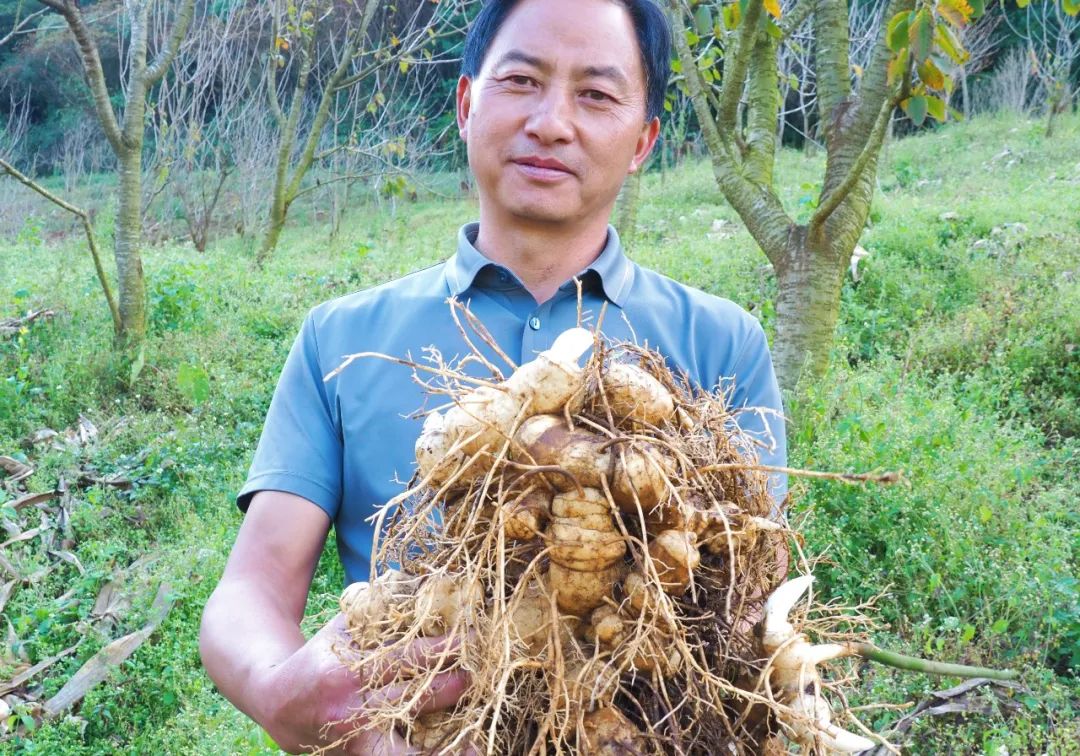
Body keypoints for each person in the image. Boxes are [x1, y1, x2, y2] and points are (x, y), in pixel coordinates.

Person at [200, 0, 787, 752]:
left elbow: (752, 595)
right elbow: (251, 589)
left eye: (595, 94)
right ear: (466, 104)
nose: (552, 122)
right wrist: (280, 693)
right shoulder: (342, 340)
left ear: (643, 141)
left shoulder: (723, 343)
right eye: (521, 81)